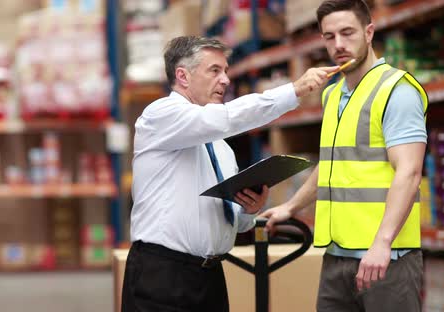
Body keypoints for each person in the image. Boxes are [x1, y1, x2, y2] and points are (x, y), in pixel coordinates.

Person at [121, 35, 338, 312]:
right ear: (182, 76)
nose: (225, 79)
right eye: (214, 70)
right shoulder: (160, 115)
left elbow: (235, 225)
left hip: (209, 276)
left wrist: (249, 210)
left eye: (226, 71)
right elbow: (225, 118)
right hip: (163, 274)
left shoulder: (222, 149)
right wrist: (292, 91)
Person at [260, 1, 428, 311]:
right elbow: (333, 166)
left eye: (347, 33)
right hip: (337, 258)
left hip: (386, 259)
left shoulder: (396, 91)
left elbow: (409, 172)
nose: (338, 44)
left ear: (368, 32)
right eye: (329, 36)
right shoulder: (333, 93)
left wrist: (382, 243)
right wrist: (291, 206)